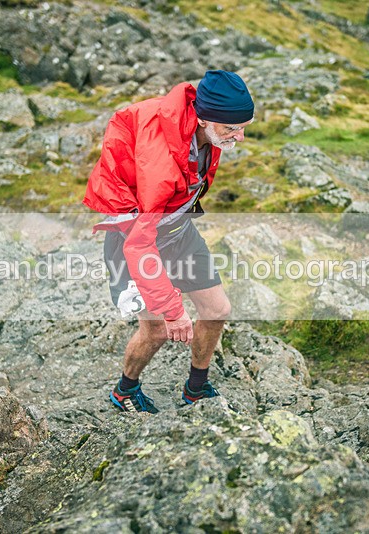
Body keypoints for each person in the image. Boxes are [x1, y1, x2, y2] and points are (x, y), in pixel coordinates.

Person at [83, 70, 254, 413]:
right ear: (204, 118)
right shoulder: (161, 162)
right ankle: (124, 391)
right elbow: (138, 245)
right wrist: (174, 312)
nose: (241, 136)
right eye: (232, 129)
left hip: (177, 229)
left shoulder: (206, 128)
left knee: (217, 310)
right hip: (133, 238)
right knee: (158, 329)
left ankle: (196, 389)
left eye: (243, 125)